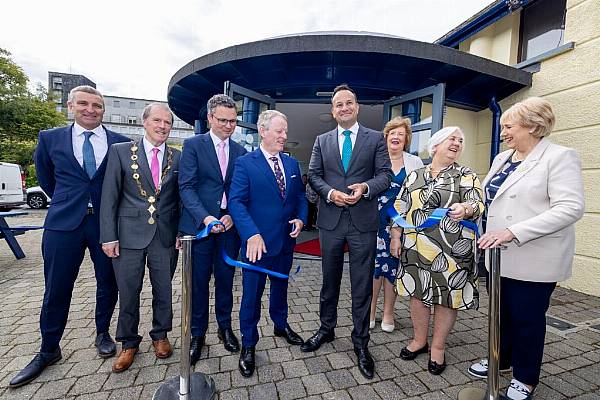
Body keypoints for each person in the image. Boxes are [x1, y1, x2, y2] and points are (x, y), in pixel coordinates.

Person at [9, 86, 130, 388]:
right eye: (84, 104)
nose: (91, 110)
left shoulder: (121, 142)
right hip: (63, 225)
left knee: (108, 282)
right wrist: (69, 202)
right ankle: (49, 349)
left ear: (104, 110)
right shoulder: (50, 139)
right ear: (71, 106)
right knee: (57, 288)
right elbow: (46, 178)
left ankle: (103, 334)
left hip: (106, 226)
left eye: (97, 106)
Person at [468, 97, 584, 400]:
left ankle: (525, 377)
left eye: (509, 126)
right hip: (498, 256)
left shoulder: (559, 157)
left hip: (534, 258)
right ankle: (501, 360)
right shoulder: (502, 159)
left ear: (532, 126)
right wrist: (470, 207)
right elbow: (488, 196)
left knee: (526, 319)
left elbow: (570, 208)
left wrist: (512, 231)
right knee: (501, 314)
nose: (503, 132)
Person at [304, 84, 392, 379]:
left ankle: (360, 342)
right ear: (333, 110)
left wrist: (365, 188)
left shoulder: (376, 139)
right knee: (329, 281)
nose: (344, 108)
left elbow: (385, 176)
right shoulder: (321, 140)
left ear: (357, 107)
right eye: (338, 104)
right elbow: (314, 176)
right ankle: (326, 329)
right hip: (330, 222)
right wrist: (330, 194)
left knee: (361, 286)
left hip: (362, 222)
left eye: (348, 103)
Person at [390, 126, 484, 375]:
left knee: (447, 298)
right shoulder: (414, 176)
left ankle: (438, 348)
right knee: (418, 294)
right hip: (416, 247)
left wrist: (467, 208)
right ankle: (420, 341)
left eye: (460, 140)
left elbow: (478, 202)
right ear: (436, 146)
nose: (457, 143)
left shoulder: (466, 175)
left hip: (451, 249)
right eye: (452, 139)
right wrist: (396, 237)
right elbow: (400, 207)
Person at [99, 103, 181, 372]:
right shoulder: (121, 152)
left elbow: (181, 199)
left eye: (167, 122)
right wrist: (109, 236)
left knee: (164, 290)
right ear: (143, 122)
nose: (162, 126)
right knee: (128, 292)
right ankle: (129, 343)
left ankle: (160, 335)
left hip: (164, 236)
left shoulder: (177, 156)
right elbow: (109, 196)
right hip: (128, 236)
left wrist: (181, 232)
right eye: (157, 120)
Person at [228, 110, 307, 378]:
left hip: (285, 243)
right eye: (279, 131)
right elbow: (236, 202)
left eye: (285, 131)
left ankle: (280, 325)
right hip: (256, 246)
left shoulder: (292, 164)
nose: (285, 136)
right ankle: (248, 344)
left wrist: (300, 218)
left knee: (281, 288)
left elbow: (300, 198)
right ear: (263, 131)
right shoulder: (245, 163)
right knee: (251, 296)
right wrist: (250, 234)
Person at [179, 94, 247, 364]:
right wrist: (207, 219)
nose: (229, 126)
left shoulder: (241, 151)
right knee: (197, 284)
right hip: (200, 228)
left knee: (226, 281)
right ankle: (197, 335)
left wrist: (231, 214)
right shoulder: (193, 145)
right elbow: (186, 187)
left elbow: (240, 190)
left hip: (229, 228)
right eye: (223, 121)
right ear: (209, 118)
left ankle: (225, 328)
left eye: (233, 121)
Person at [370, 117, 423, 333]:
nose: (396, 137)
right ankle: (370, 311)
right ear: (386, 137)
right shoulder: (374, 159)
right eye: (392, 133)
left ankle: (389, 312)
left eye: (401, 134)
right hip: (373, 221)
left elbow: (418, 196)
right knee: (372, 269)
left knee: (392, 268)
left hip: (399, 223)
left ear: (406, 140)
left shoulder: (415, 163)